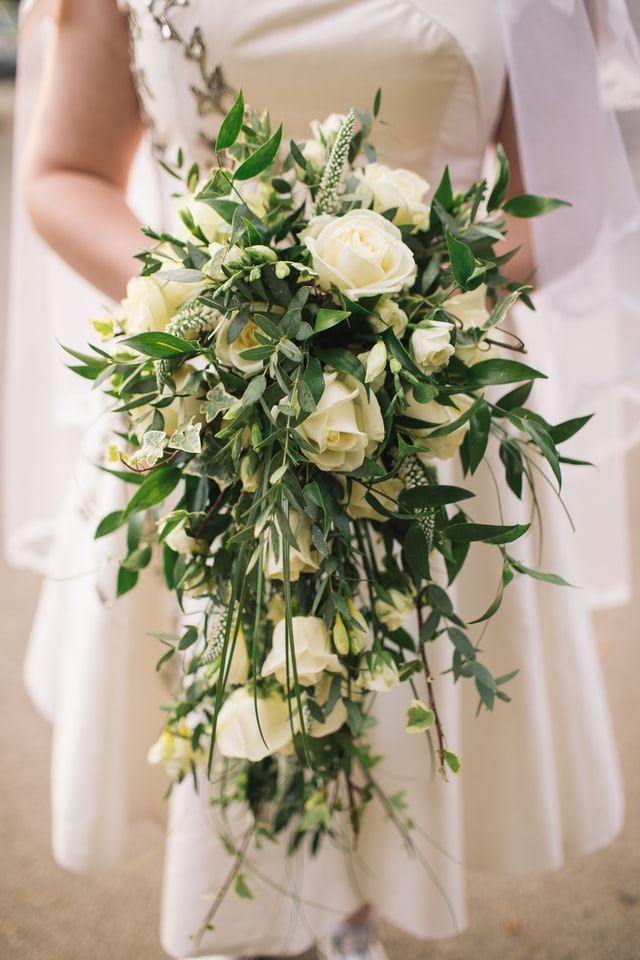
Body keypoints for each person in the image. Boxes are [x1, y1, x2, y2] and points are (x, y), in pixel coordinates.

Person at [6, 1, 640, 958]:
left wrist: (398, 315)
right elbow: (64, 174)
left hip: (423, 409)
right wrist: (217, 301)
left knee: (389, 703)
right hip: (203, 394)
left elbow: (569, 195)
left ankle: (348, 923)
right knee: (231, 708)